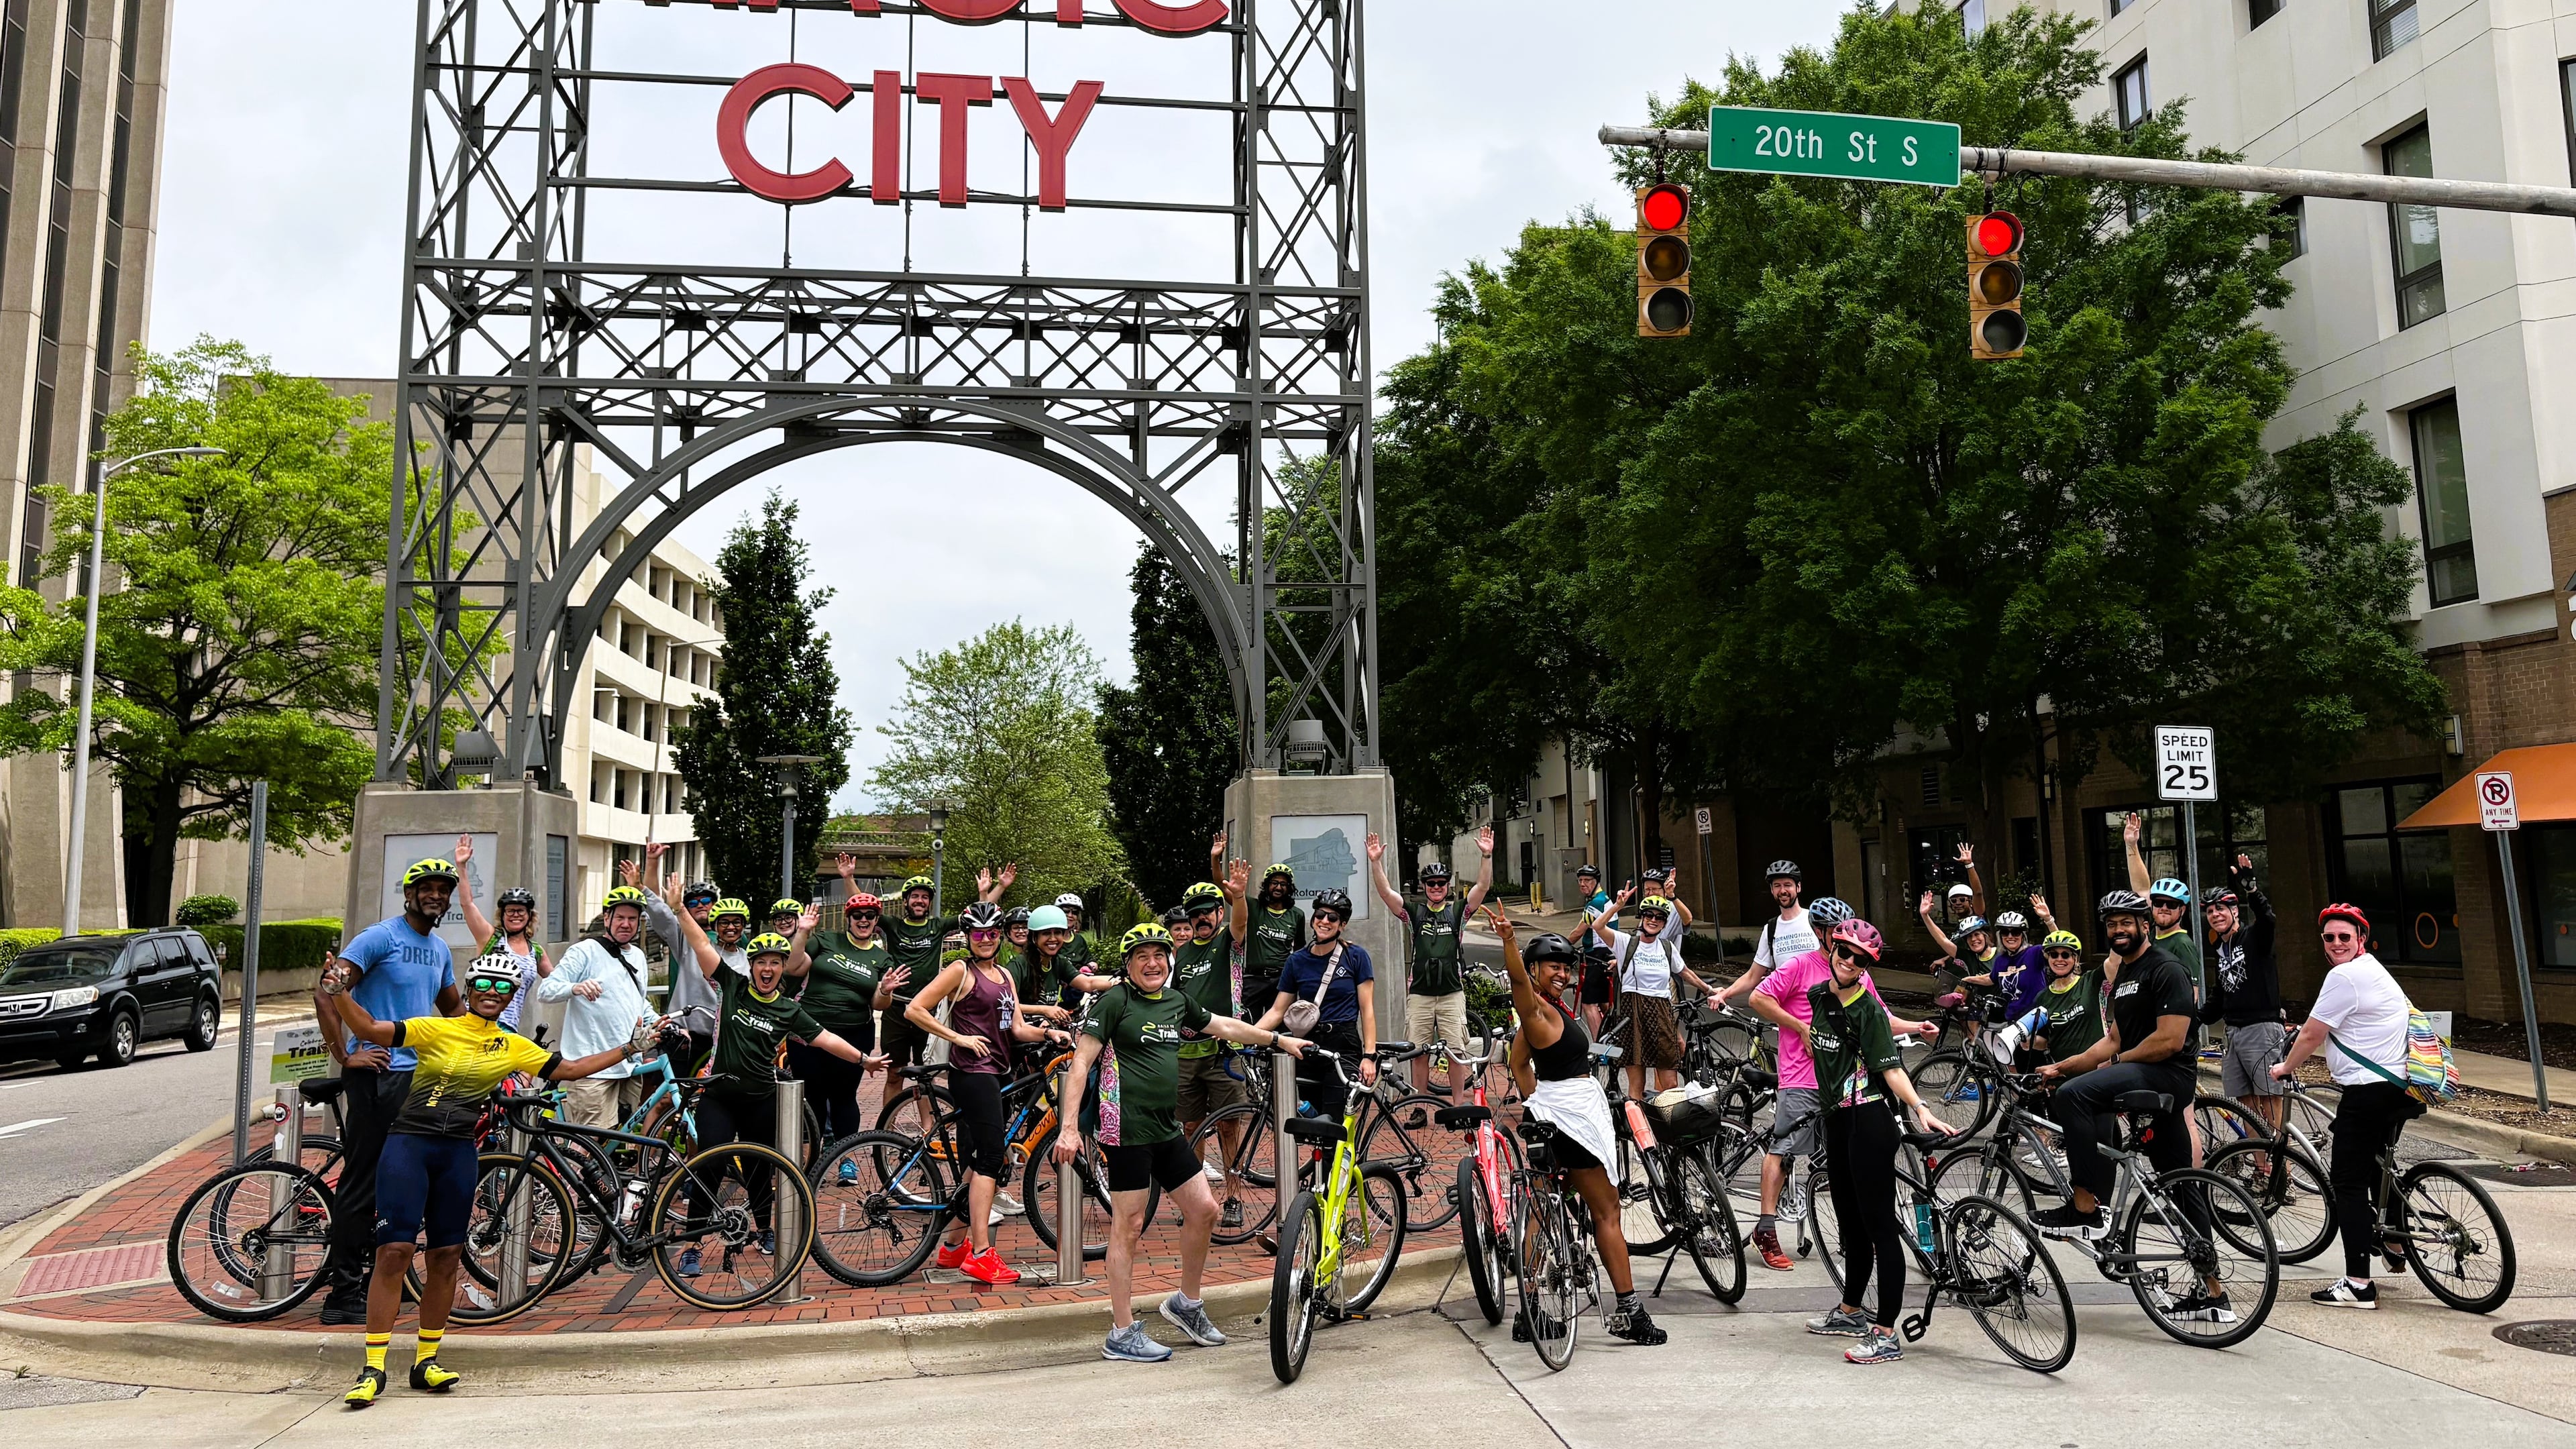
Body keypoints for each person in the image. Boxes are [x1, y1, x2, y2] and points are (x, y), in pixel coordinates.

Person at [321, 952, 658, 1406]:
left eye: (504, 988)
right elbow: (367, 1030)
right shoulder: (435, 1027)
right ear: (469, 987)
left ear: (512, 996)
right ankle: (374, 1367)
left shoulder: (513, 1045)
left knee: (446, 1255)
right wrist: (338, 991)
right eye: (484, 985)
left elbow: (572, 1070)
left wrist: (630, 1049)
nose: (492, 994)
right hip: (409, 1146)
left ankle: (426, 1361)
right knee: (395, 1251)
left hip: (458, 1152)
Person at [1057, 921, 1311, 1362]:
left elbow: (1226, 1027)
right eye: (1142, 957)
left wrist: (1277, 1039)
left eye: (1159, 955)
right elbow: (1080, 1064)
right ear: (1129, 964)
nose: (1152, 963)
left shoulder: (1176, 1001)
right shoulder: (1114, 1002)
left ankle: (1186, 1304)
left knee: (1205, 1210)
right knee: (1129, 1226)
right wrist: (1068, 1128)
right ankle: (1121, 1333)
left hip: (1164, 1127)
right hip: (1126, 1130)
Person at [2031, 892, 2236, 1322]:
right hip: (2145, 1079)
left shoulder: (2166, 969)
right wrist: (2061, 1067)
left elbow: (2170, 1040)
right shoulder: (2125, 975)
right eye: (2112, 924)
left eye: (2127, 922)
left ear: (2145, 925)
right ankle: (2214, 1294)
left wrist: (2108, 1067)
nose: (2119, 930)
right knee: (2182, 1184)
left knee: (2075, 1097)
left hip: (2166, 1075)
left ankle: (2086, 1207)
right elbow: (2111, 1041)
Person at [662, 882, 884, 1275]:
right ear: (751, 966)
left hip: (761, 1097)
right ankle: (692, 1244)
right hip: (720, 1095)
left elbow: (827, 1039)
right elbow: (702, 947)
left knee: (761, 1168)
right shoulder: (732, 987)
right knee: (709, 1166)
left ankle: (764, 1229)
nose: (767, 968)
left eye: (775, 963)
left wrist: (863, 1059)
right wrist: (680, 911)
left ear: (783, 969)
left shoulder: (788, 1010)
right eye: (761, 962)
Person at [1483, 909, 1668, 1346]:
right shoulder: (1535, 1010)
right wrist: (1510, 941)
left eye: (1567, 966)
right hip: (1571, 1122)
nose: (1562, 973)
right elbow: (1517, 986)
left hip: (1547, 1120)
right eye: (1554, 966)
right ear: (1534, 970)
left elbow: (1517, 1064)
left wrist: (1537, 1104)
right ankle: (1628, 1312)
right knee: (1607, 1212)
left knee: (1541, 1214)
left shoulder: (1544, 1015)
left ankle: (1528, 1313)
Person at [1724, 896, 1935, 1272]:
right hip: (1801, 1076)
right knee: (1785, 1148)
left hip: (1843, 1084)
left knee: (1845, 1164)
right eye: (1831, 934)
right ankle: (1767, 1228)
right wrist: (1800, 1027)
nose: (1846, 953)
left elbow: (1880, 1018)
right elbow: (1758, 997)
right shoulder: (1800, 966)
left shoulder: (1859, 973)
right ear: (1820, 932)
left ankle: (1852, 1236)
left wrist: (1916, 1026)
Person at [311, 857, 466, 1326]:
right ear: (409, 893)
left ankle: (377, 1282)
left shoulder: (437, 948)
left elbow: (454, 1010)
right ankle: (342, 1293)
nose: (436, 895)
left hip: (413, 1078)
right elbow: (326, 991)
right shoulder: (380, 937)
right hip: (376, 1074)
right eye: (427, 888)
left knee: (395, 1181)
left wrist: (492, 1047)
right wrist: (344, 1056)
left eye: (443, 889)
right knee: (363, 1182)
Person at [1796, 918, 1955, 1364]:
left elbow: (1890, 1069)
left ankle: (1885, 1333)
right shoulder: (1818, 997)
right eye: (1844, 952)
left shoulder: (1868, 1008)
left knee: (1880, 1227)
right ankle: (1850, 1311)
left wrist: (1920, 1107)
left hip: (1869, 1121)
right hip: (1837, 1121)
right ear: (1831, 948)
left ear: (1868, 966)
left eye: (1859, 959)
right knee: (1849, 1224)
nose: (1848, 962)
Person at [909, 900, 1068, 1287]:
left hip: (997, 1073)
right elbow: (915, 1009)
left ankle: (952, 1248)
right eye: (978, 933)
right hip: (971, 1074)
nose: (985, 939)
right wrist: (959, 1037)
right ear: (968, 937)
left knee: (973, 1162)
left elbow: (1016, 1030)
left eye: (992, 933)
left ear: (1000, 936)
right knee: (992, 1159)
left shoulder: (1003, 976)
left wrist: (1048, 1032)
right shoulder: (959, 970)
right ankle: (981, 1254)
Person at [2271, 903, 2420, 1309]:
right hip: (2399, 1087)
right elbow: (2350, 1021)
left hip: (2368, 1092)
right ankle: (2393, 1238)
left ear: (2360, 939)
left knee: (2347, 1184)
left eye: (2344, 937)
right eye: (2329, 937)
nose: (2336, 943)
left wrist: (2285, 1067)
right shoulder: (2374, 969)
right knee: (2375, 1167)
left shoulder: (2344, 976)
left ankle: (2358, 1284)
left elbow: (2313, 1037)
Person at [1368, 826, 1495, 1101]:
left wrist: (1486, 857)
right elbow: (1387, 894)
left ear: (1448, 886)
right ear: (1424, 887)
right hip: (1420, 995)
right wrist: (1376, 863)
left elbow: (1482, 887)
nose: (1436, 887)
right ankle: (1419, 1104)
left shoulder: (1458, 911)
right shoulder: (1414, 912)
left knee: (1456, 1052)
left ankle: (1459, 1104)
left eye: (1441, 883)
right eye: (1431, 884)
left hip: (1451, 993)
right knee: (1418, 1052)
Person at [535, 885, 661, 1132]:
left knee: (618, 1137)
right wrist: (575, 988)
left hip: (629, 1064)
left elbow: (638, 1001)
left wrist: (661, 1021)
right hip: (592, 1068)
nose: (626, 924)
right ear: (607, 918)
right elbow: (546, 991)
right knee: (590, 1143)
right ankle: (569, 1171)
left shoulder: (637, 955)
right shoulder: (586, 950)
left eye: (632, 919)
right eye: (620, 917)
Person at [1249, 886, 1377, 1128]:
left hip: (1343, 1044)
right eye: (1320, 915)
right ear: (1312, 919)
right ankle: (1328, 1164)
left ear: (1342, 925)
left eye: (1333, 918)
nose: (1325, 921)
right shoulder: (1297, 960)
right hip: (1307, 1045)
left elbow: (1367, 1010)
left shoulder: (1356, 957)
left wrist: (1369, 1056)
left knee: (1333, 1123)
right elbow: (1277, 1011)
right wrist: (1248, 1035)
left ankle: (1339, 1165)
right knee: (1309, 1124)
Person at [786, 880, 891, 1159]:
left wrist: (886, 990)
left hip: (854, 1033)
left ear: (876, 921)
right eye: (858, 915)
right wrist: (803, 932)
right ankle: (811, 1159)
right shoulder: (826, 941)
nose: (864, 920)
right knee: (812, 1099)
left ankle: (846, 1158)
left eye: (870, 916)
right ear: (849, 919)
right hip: (809, 1032)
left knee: (844, 1097)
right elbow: (793, 966)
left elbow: (879, 1003)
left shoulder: (881, 958)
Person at [1576, 885, 1712, 1098]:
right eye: (1649, 915)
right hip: (1633, 1016)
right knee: (1636, 1088)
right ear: (1642, 917)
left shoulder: (1667, 947)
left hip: (1662, 1015)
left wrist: (1709, 990)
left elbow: (1684, 972)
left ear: (1664, 923)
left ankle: (1666, 1129)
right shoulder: (1625, 943)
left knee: (1671, 1086)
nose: (1653, 920)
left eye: (1660, 917)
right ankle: (1636, 1131)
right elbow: (1598, 925)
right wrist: (1618, 907)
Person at [1169, 863, 1250, 1208]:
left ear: (1220, 912)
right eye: (1195, 914)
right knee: (1191, 1128)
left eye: (1208, 911)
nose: (1201, 918)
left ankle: (1233, 1198)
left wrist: (1240, 894)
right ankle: (1198, 1202)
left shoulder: (1229, 941)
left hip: (1225, 1051)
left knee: (1230, 1127)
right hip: (1187, 1054)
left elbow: (1242, 921)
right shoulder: (1181, 953)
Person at [2204, 856, 2286, 1146]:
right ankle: (2261, 1169)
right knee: (2246, 1106)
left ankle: (2281, 1175)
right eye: (2210, 911)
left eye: (2221, 909)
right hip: (2233, 1033)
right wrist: (2192, 1018)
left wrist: (2252, 889)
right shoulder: (2221, 948)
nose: (2215, 915)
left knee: (2269, 1100)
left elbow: (2268, 919)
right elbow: (2220, 994)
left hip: (2261, 1029)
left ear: (2235, 912)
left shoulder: (2255, 938)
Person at [449, 836, 545, 1034]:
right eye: (510, 911)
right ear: (502, 915)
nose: (515, 915)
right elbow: (467, 904)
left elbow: (558, 979)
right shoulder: (489, 938)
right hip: (476, 1023)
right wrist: (462, 867)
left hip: (507, 1029)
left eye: (521, 911)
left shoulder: (535, 951)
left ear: (529, 916)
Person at [2124, 811, 2206, 1003]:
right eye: (2159, 903)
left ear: (2182, 910)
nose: (2164, 908)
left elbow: (2191, 996)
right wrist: (2131, 845)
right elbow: (2142, 888)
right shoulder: (2151, 935)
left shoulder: (2182, 944)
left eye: (2172, 904)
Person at [880, 875, 945, 1079]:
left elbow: (977, 919)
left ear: (929, 902)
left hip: (926, 1010)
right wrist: (848, 877)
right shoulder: (893, 926)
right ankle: (890, 1113)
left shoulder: (938, 927)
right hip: (896, 1009)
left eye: (925, 897)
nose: (920, 900)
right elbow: (864, 907)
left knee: (927, 1074)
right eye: (915, 896)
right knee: (894, 1073)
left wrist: (986, 892)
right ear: (905, 901)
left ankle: (927, 1114)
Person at [1238, 863, 1305, 1017]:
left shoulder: (1297, 915)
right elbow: (1226, 891)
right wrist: (1215, 858)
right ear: (1267, 885)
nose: (1279, 887)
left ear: (1289, 888)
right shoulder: (1253, 907)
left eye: (1283, 884)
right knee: (1248, 1027)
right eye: (1274, 883)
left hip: (1281, 981)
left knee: (1279, 1032)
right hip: (1253, 979)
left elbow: (1300, 952)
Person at [1749, 859, 1817, 973]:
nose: (1783, 891)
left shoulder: (1816, 920)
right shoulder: (1770, 929)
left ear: (1798, 887)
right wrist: (1725, 992)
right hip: (1786, 992)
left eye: (1787, 885)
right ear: (1772, 890)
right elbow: (1752, 976)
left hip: (1816, 991)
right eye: (1777, 886)